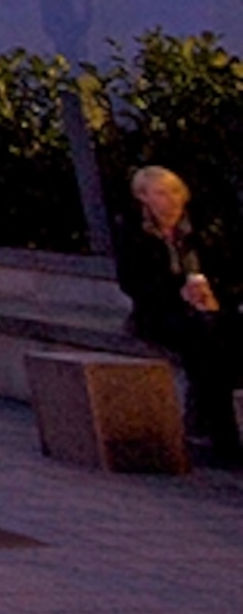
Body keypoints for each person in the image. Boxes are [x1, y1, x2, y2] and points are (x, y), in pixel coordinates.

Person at [116, 165, 243, 465]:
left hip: (213, 308)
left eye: (175, 192)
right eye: (160, 193)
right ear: (143, 198)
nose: (170, 200)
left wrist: (215, 293)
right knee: (204, 342)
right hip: (161, 313)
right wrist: (179, 293)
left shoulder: (204, 226)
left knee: (222, 337)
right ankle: (223, 436)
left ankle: (207, 420)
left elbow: (232, 270)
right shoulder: (134, 231)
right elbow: (133, 282)